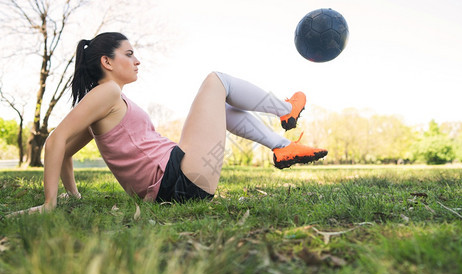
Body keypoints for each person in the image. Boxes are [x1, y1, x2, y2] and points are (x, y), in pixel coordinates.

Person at [12, 32, 327, 215]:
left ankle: (283, 146)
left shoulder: (106, 101)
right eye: (129, 54)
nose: (137, 61)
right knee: (218, 81)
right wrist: (51, 202)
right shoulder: (106, 92)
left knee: (222, 106)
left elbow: (64, 151)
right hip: (180, 179)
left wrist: (74, 195)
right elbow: (56, 141)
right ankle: (286, 110)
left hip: (178, 183)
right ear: (107, 62)